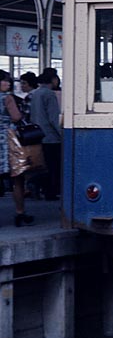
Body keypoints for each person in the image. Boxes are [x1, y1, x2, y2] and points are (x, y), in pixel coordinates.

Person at [0, 70, 32, 226]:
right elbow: (16, 117)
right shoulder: (8, 98)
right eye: (5, 81)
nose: (8, 84)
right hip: (8, 140)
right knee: (17, 178)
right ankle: (20, 213)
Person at [31, 71, 62, 202]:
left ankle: (38, 185)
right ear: (53, 79)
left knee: (43, 165)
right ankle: (50, 192)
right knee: (54, 166)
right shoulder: (49, 94)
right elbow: (53, 117)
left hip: (37, 134)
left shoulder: (36, 93)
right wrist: (62, 133)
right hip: (51, 136)